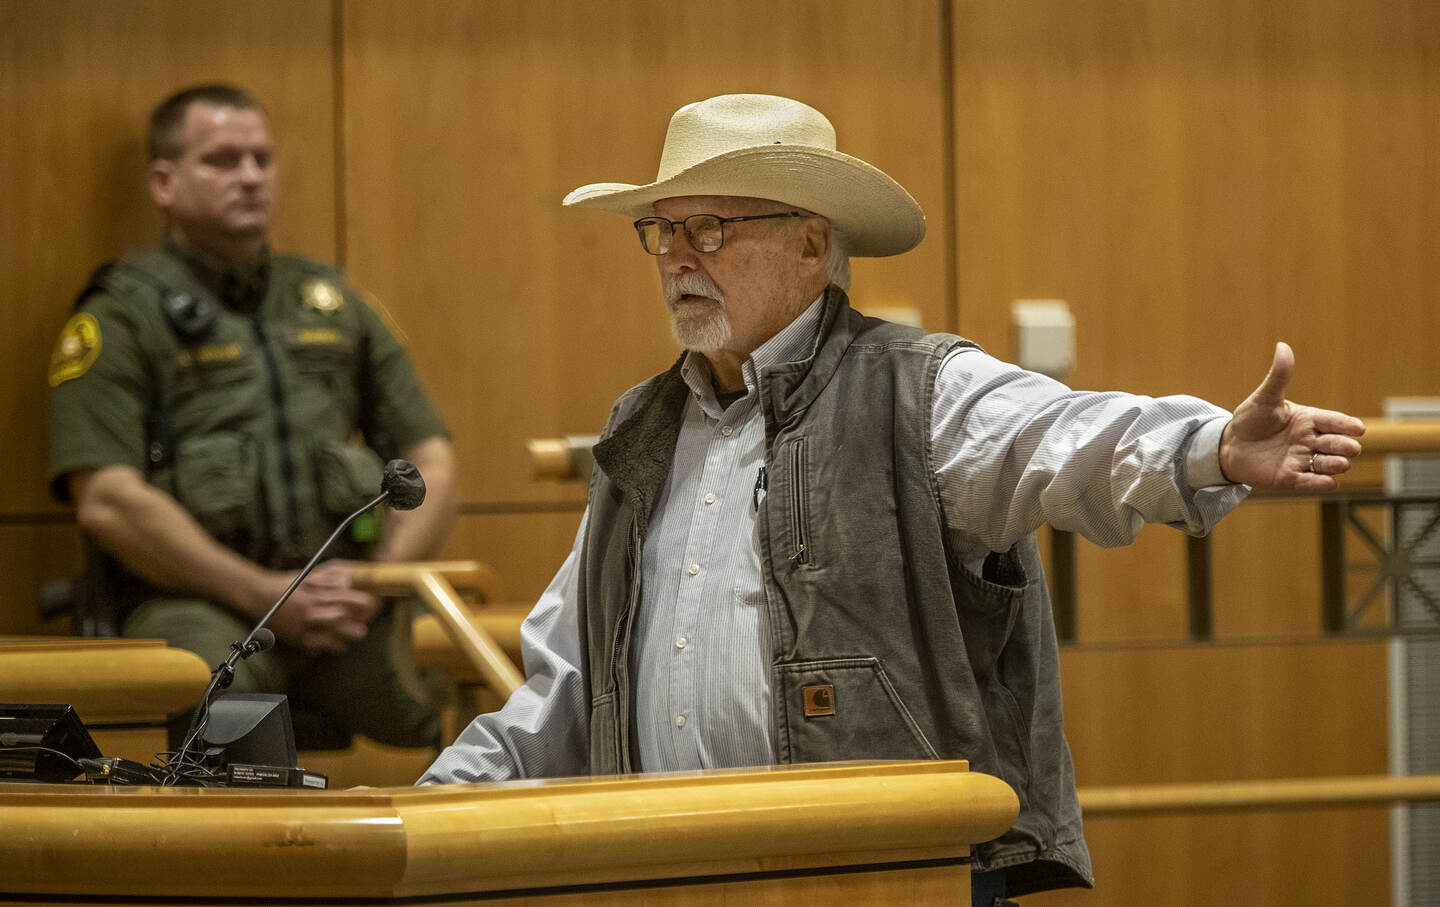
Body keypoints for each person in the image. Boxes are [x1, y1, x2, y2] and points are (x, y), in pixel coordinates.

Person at [417, 94, 1363, 899]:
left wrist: (1209, 446)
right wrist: (418, 815)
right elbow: (570, 682)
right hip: (663, 874)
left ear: (810, 244)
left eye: (711, 227)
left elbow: (1062, 438)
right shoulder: (643, 429)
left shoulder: (916, 390)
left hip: (887, 875)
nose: (676, 257)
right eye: (662, 230)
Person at [47, 84, 457, 751]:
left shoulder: (327, 300)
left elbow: (431, 456)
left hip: (345, 598)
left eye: (262, 160)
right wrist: (271, 594)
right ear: (163, 181)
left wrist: (376, 579)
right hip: (201, 600)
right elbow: (109, 500)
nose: (250, 177)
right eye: (222, 160)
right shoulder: (122, 314)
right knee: (226, 705)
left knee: (449, 705)